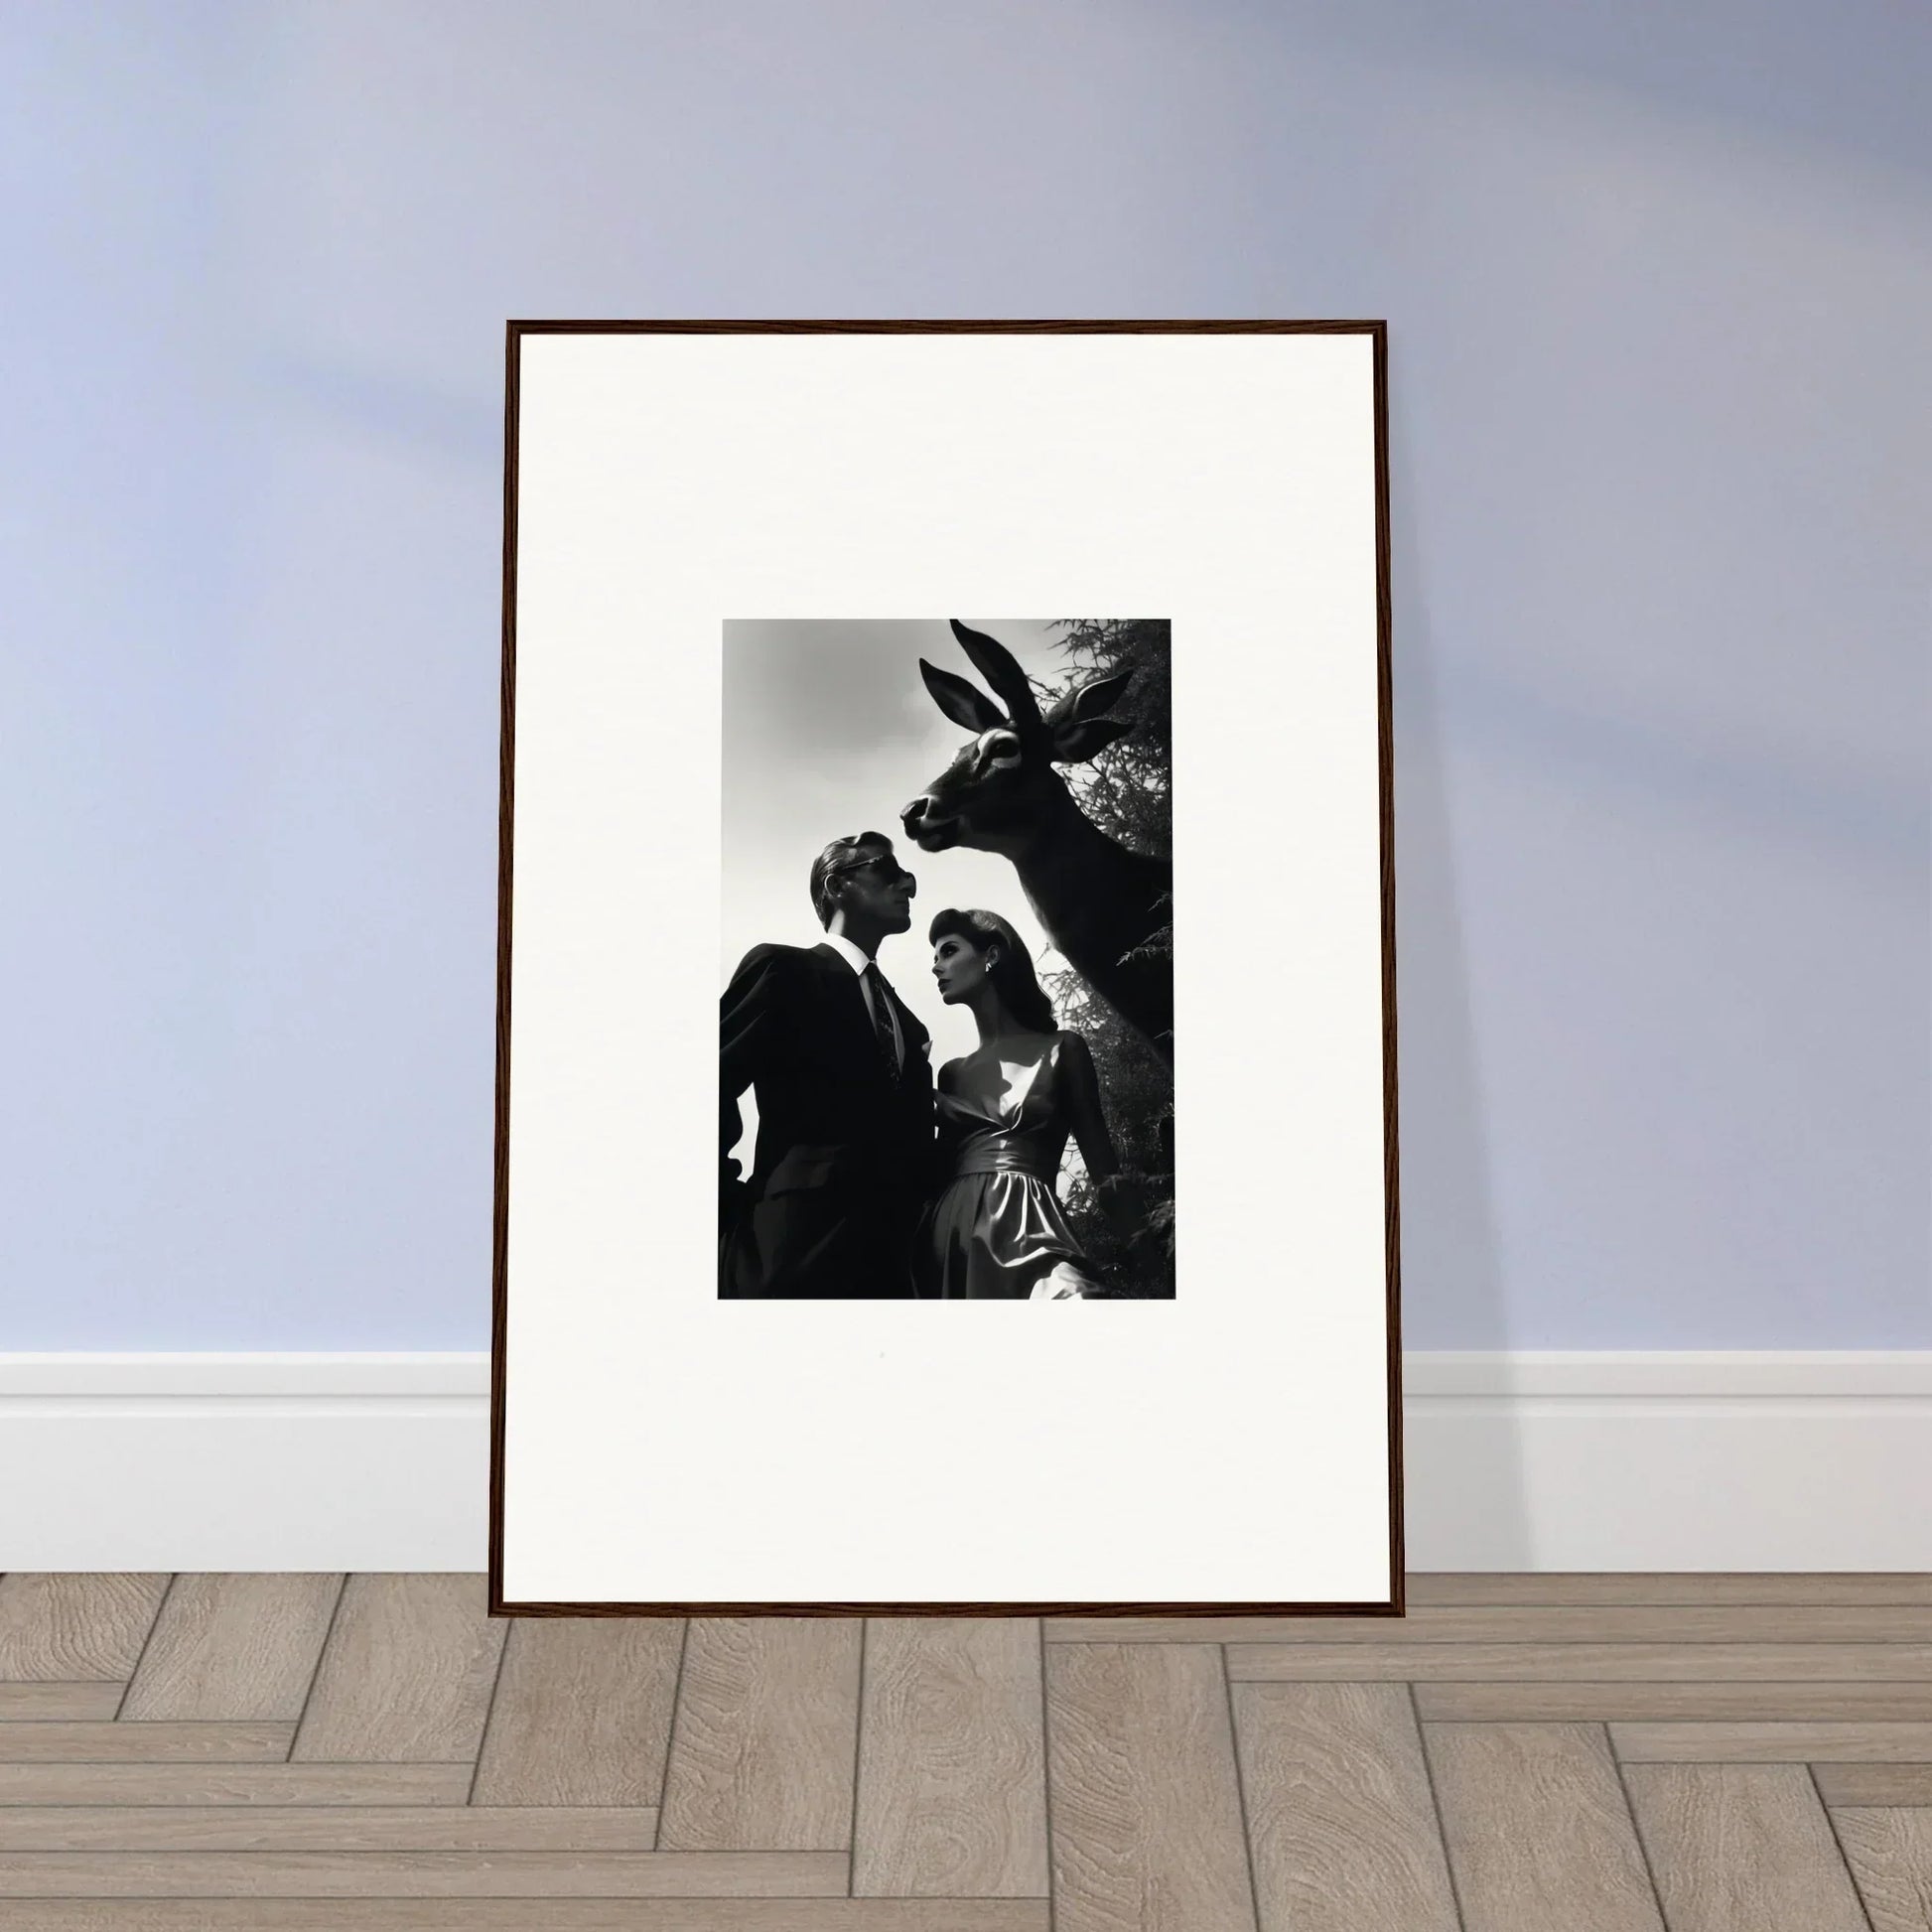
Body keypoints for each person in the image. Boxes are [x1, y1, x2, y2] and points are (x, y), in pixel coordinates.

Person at [719, 832, 934, 1299]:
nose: (909, 885)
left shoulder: (910, 1027)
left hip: (893, 1270)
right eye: (889, 870)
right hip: (788, 1254)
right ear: (837, 886)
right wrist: (730, 1211)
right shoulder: (782, 970)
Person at [914, 907, 1142, 1300]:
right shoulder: (950, 1074)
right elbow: (929, 1176)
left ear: (992, 955)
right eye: (934, 957)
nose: (937, 967)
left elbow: (1106, 1174)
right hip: (951, 1239)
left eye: (948, 951)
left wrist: (1153, 1267)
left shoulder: (1062, 1049)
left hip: (1031, 1229)